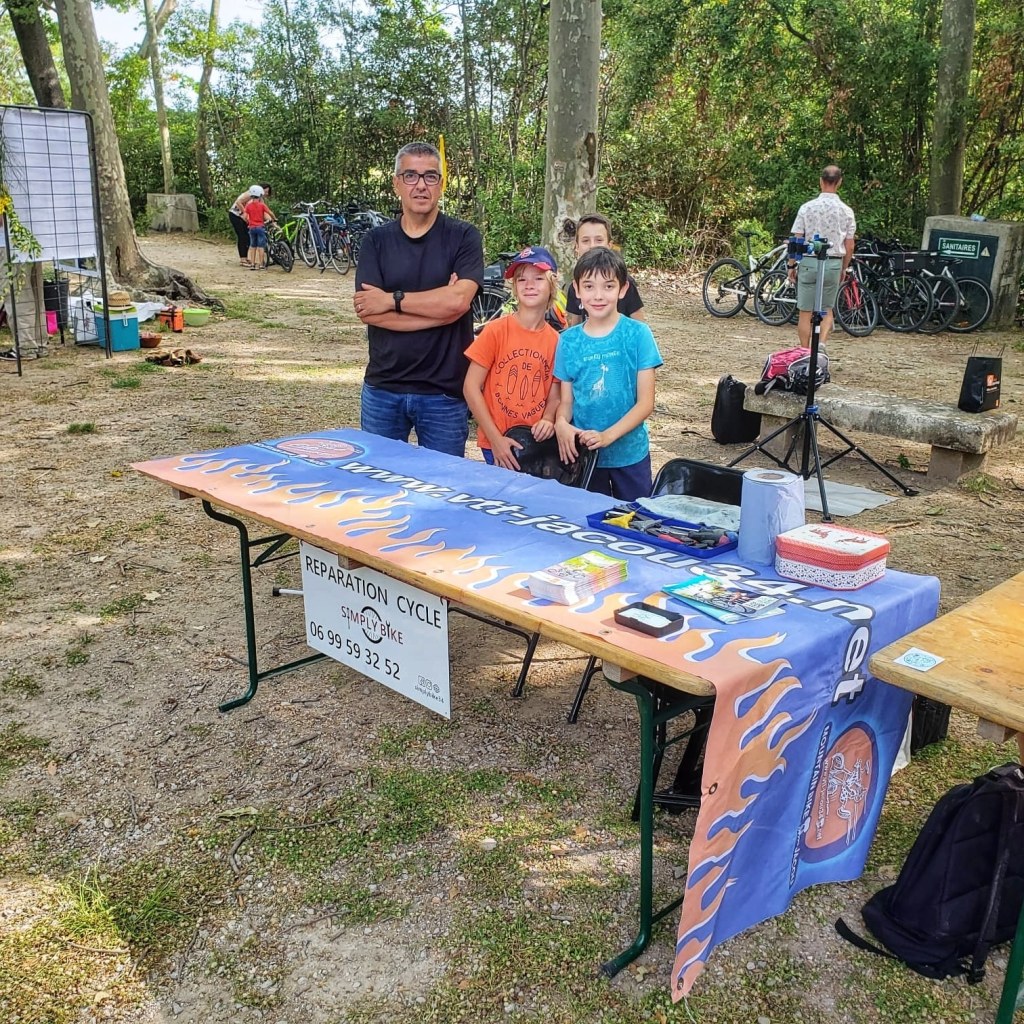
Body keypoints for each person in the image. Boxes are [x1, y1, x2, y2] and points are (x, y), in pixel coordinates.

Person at [353, 142, 484, 458]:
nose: (421, 185)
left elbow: (458, 302)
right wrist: (441, 309)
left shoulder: (464, 237)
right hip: (384, 388)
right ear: (396, 183)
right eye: (410, 175)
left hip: (444, 393)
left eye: (430, 176)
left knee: (442, 484)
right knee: (377, 479)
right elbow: (369, 311)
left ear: (441, 184)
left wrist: (392, 300)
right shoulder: (376, 241)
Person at [554, 247, 662, 500]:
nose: (598, 295)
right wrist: (561, 424)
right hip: (584, 456)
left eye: (608, 286)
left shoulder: (638, 334)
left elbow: (645, 403)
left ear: (623, 289)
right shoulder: (568, 341)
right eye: (589, 286)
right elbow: (567, 401)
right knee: (590, 518)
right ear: (577, 290)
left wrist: (606, 436)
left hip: (630, 454)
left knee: (635, 517)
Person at [463, 246, 561, 470]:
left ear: (552, 285)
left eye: (538, 278)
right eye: (521, 279)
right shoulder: (495, 330)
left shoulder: (557, 341)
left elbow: (555, 394)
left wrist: (548, 419)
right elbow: (471, 387)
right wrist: (496, 440)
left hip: (536, 444)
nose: (529, 285)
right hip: (496, 442)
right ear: (514, 287)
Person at [787, 164, 856, 347]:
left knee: (805, 312)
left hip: (809, 262)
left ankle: (804, 349)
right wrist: (844, 267)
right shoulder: (846, 211)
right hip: (833, 264)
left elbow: (797, 240)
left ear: (821, 181)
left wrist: (791, 264)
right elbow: (849, 245)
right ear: (839, 182)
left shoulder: (807, 208)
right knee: (826, 309)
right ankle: (821, 346)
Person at [564, 214, 646, 327]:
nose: (592, 246)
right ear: (577, 246)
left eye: (599, 240)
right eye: (585, 240)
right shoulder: (576, 286)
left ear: (609, 245)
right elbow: (575, 324)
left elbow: (639, 323)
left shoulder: (623, 282)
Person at [228, 183, 272, 267]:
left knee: (248, 237)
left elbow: (264, 211)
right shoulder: (250, 194)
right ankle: (243, 259)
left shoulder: (260, 199)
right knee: (242, 236)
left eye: (267, 192)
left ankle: (245, 257)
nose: (266, 194)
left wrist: (271, 220)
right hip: (236, 215)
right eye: (265, 191)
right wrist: (246, 213)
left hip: (245, 218)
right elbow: (238, 202)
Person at [243, 186, 275, 271]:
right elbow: (270, 212)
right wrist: (274, 218)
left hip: (252, 228)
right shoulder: (262, 205)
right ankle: (261, 264)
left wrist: (249, 222)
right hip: (260, 227)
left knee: (253, 246)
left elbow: (244, 217)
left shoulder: (248, 206)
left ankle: (252, 264)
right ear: (260, 195)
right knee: (261, 246)